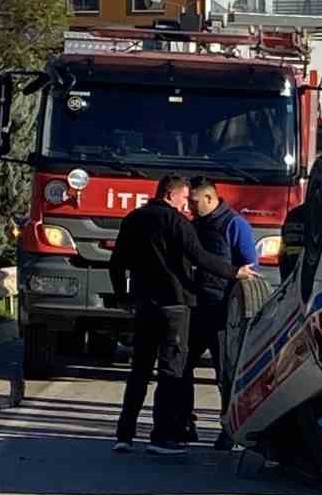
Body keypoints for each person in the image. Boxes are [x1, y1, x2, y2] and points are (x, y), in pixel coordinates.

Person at [110, 175, 253, 456]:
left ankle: (124, 434)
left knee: (139, 370)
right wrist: (235, 272)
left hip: (143, 307)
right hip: (175, 307)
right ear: (170, 195)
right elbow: (201, 257)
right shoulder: (178, 223)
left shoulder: (133, 219)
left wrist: (123, 298)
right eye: (184, 198)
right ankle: (161, 437)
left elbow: (116, 264)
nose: (186, 204)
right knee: (170, 371)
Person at [183, 177, 260, 451]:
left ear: (209, 199)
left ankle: (229, 429)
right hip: (195, 308)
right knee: (182, 368)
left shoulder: (234, 224)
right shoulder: (193, 225)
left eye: (193, 202)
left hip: (223, 312)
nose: (189, 207)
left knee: (225, 373)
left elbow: (250, 267)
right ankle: (185, 422)